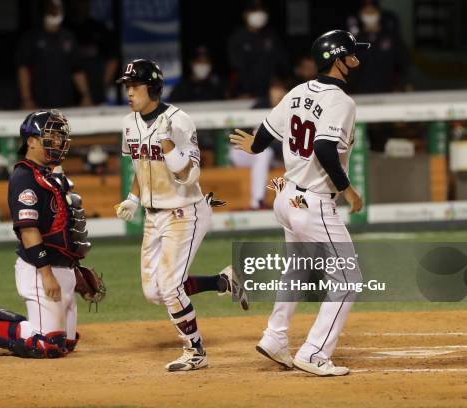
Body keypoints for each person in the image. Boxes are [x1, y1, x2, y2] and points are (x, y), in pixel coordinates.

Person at [229, 30, 367, 376]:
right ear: (337, 60)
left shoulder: (298, 90)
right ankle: (314, 353)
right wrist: (347, 189)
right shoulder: (341, 101)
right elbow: (323, 148)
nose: (356, 60)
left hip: (287, 197)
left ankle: (275, 337)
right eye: (351, 54)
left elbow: (260, 140)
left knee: (297, 271)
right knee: (348, 281)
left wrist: (256, 147)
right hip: (315, 203)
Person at [114, 59, 248, 372]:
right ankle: (223, 281)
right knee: (153, 292)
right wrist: (133, 198)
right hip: (153, 215)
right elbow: (139, 166)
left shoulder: (179, 121)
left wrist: (167, 142)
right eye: (126, 86)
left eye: (135, 85)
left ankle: (195, 350)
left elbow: (189, 174)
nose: (129, 92)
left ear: (153, 87)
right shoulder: (128, 123)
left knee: (170, 287)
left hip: (185, 212)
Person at [0, 109, 92, 359]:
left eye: (60, 136)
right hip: (39, 269)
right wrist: (47, 274)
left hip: (63, 268)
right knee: (47, 346)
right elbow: (29, 231)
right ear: (31, 141)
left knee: (66, 344)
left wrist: (76, 270)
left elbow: (65, 230)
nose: (58, 142)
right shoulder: (24, 177)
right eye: (51, 136)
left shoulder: (52, 177)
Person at [16, 0, 92, 109]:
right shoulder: (31, 38)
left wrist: (85, 95)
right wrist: (26, 99)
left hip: (65, 103)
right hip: (38, 103)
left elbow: (77, 69)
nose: (54, 11)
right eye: (51, 8)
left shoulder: (68, 37)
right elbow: (23, 70)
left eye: (57, 8)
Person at [230, 78, 289, 209]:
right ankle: (257, 201)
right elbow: (239, 133)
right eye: (276, 89)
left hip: (274, 157)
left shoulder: (289, 109)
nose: (280, 93)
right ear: (270, 91)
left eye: (283, 90)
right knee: (262, 152)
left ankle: (259, 202)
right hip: (244, 153)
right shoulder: (260, 106)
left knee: (264, 153)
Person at [227, 0, 290, 98]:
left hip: (270, 92)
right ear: (245, 15)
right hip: (246, 93)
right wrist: (242, 91)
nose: (259, 14)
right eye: (254, 11)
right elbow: (236, 69)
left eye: (261, 10)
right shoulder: (237, 38)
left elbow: (281, 62)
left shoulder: (271, 35)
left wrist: (280, 82)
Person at [346, 0, 410, 93]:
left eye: (372, 12)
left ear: (379, 13)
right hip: (361, 92)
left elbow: (404, 63)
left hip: (388, 91)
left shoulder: (391, 38)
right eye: (366, 13)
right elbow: (348, 69)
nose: (370, 16)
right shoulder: (354, 40)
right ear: (360, 14)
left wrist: (402, 85)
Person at [64, 0, 119, 105]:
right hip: (66, 95)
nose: (81, 6)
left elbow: (113, 58)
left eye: (84, 2)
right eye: (78, 3)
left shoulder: (99, 29)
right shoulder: (64, 30)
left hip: (96, 93)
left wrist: (103, 85)